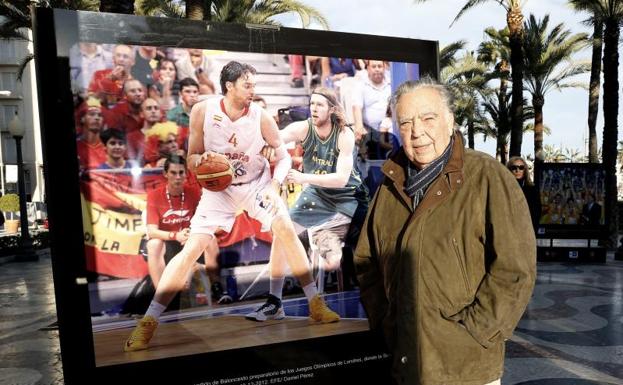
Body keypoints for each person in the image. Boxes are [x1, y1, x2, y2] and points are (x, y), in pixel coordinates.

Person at [123, 61, 339, 352]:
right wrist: (201, 163)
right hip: (219, 191)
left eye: (254, 84)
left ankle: (314, 302)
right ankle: (148, 322)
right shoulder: (203, 111)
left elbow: (283, 155)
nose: (253, 90)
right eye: (247, 85)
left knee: (286, 229)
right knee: (191, 251)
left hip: (256, 185)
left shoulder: (260, 116)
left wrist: (275, 184)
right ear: (229, 86)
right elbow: (191, 157)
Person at [354, 77, 536, 385]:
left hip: (467, 368)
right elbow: (366, 261)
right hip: (406, 364)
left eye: (428, 118)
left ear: (450, 120)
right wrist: (388, 324)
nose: (417, 132)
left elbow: (515, 269)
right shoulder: (390, 185)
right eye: (406, 122)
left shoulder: (486, 176)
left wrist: (474, 332)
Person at [279, 87, 368, 274]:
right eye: (311, 104)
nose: (313, 108)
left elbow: (341, 180)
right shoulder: (304, 127)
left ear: (332, 109)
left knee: (370, 249)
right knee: (283, 233)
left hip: (348, 198)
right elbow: (277, 138)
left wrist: (304, 177)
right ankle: (303, 280)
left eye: (319, 104)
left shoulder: (344, 134)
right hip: (317, 195)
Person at [145, 156, 227, 305]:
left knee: (210, 238)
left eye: (181, 173)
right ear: (165, 174)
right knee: (153, 244)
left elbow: (204, 220)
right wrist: (175, 235)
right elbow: (151, 232)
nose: (178, 177)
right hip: (169, 243)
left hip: (190, 239)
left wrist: (190, 233)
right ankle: (161, 296)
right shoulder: (154, 195)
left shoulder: (195, 192)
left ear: (186, 174)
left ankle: (217, 287)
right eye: (173, 173)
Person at [507, 156, 541, 231]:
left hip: (527, 230)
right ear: (509, 170)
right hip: (508, 230)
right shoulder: (504, 188)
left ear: (525, 170)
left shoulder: (532, 190)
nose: (517, 170)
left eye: (521, 167)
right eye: (514, 167)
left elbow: (536, 213)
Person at [75, 97, 107, 170]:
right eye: (92, 114)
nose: (97, 118)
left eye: (100, 115)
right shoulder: (77, 147)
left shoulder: (109, 147)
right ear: (82, 118)